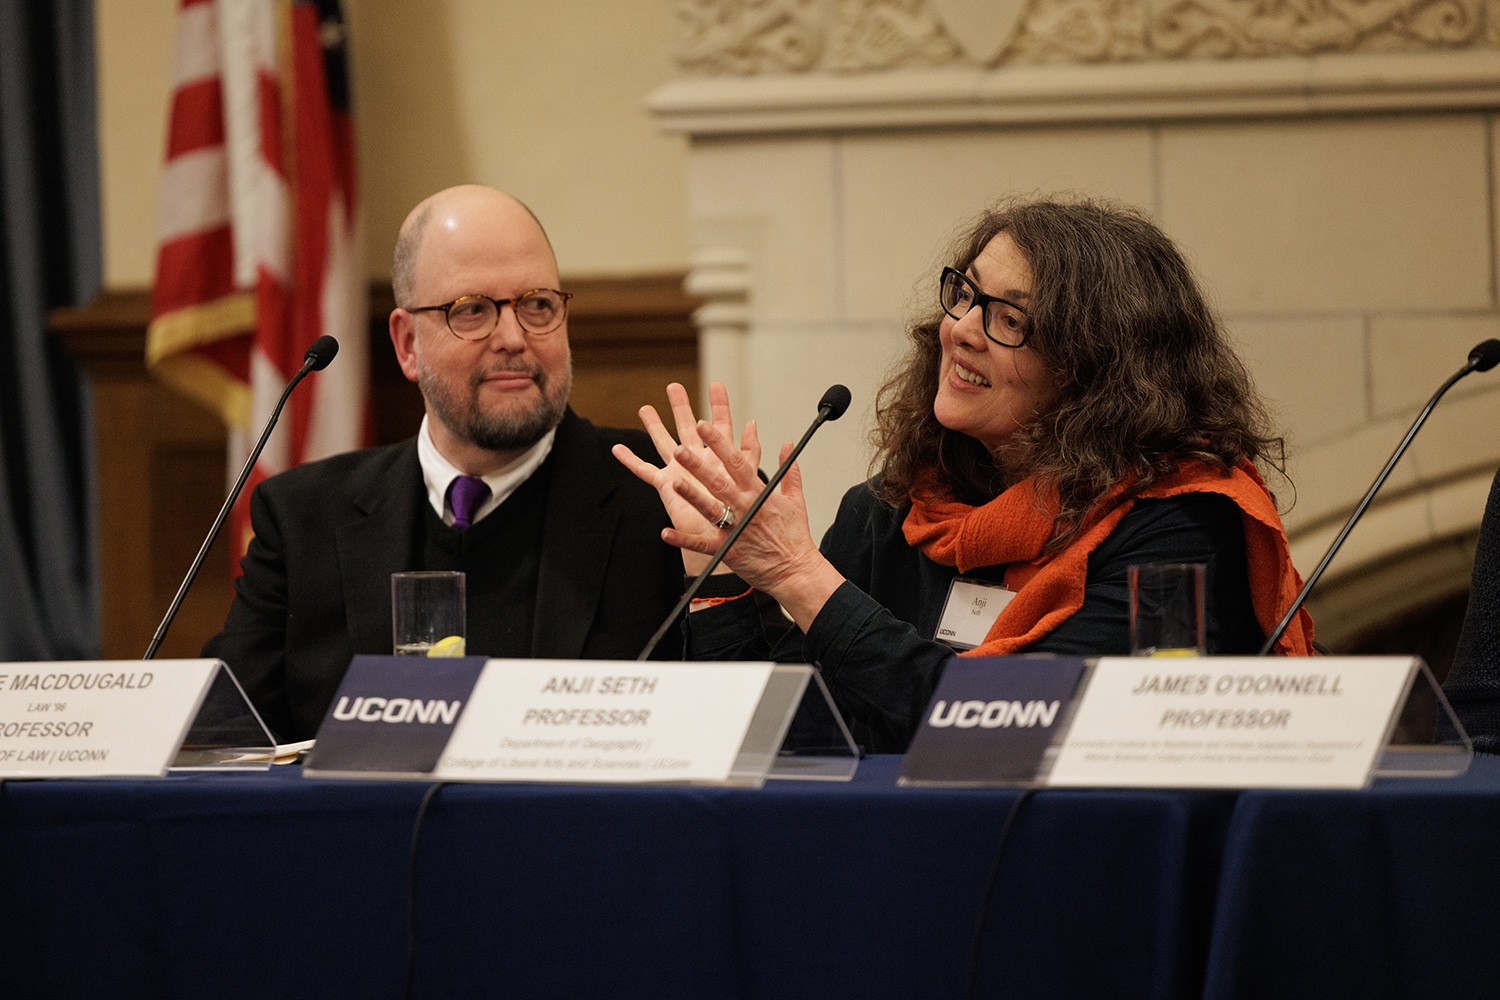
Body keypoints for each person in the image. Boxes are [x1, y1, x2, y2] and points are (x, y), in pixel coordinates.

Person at [616, 197, 1315, 753]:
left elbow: (1006, 732)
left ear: (1100, 369)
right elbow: (788, 741)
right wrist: (727, 579)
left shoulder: (1179, 524)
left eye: (1009, 317)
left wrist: (801, 577)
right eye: (965, 295)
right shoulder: (892, 511)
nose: (962, 329)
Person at [205, 185, 683, 742]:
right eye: (472, 311)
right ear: (407, 344)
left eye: (538, 305)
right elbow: (222, 741)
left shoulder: (663, 496)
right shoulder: (304, 517)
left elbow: (754, 730)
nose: (513, 338)